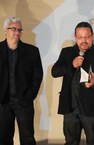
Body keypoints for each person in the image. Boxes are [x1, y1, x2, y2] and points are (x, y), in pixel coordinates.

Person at [51, 21, 94, 145]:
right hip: (69, 107)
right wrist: (71, 65)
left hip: (91, 106)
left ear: (92, 36)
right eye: (80, 37)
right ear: (75, 37)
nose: (83, 40)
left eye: (87, 37)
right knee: (70, 141)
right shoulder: (66, 52)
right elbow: (55, 71)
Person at [0, 16, 43, 145]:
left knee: (28, 138)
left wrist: (29, 96)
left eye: (20, 30)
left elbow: (37, 76)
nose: (17, 33)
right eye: (13, 29)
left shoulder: (32, 51)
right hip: (3, 103)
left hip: (24, 102)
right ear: (5, 30)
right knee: (3, 139)